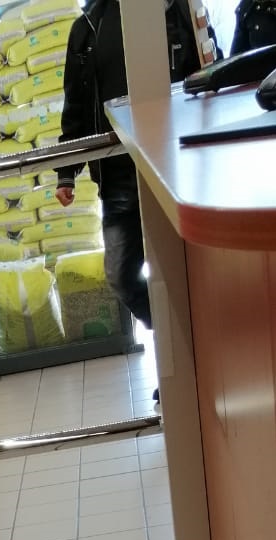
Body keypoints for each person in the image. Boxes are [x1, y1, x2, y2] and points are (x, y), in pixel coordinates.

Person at [55, 0, 220, 402]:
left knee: (184, 272)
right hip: (118, 176)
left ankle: (193, 366)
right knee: (122, 275)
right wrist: (66, 171)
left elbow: (211, 73)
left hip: (178, 164)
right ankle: (181, 344)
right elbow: (77, 104)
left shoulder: (176, 9)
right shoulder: (89, 26)